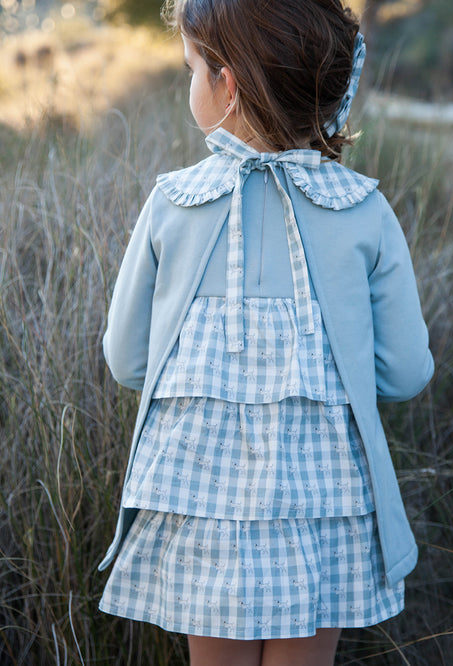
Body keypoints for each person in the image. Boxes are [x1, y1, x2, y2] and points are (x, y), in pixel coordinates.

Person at [98, 1, 434, 664]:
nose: (190, 83)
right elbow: (405, 373)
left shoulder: (173, 204)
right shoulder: (362, 209)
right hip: (325, 507)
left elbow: (128, 360)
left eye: (191, 70)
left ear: (226, 85)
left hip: (202, 500)